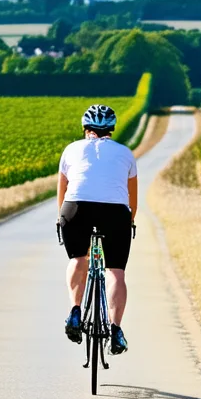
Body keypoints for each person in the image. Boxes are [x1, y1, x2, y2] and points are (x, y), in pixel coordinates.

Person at [56, 104, 137, 355]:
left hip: (75, 209)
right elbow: (132, 202)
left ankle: (75, 312)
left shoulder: (71, 150)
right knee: (116, 272)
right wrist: (128, 223)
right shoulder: (125, 153)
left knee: (78, 259)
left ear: (85, 129)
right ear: (112, 129)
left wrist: (63, 221)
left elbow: (62, 194)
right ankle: (115, 330)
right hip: (115, 214)